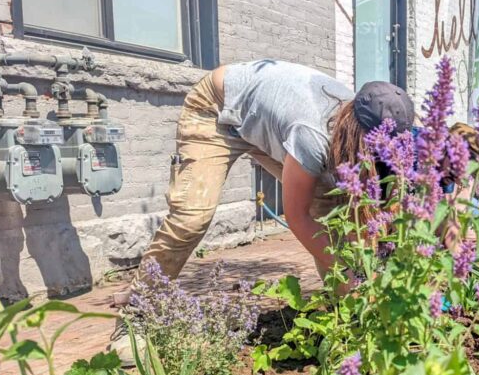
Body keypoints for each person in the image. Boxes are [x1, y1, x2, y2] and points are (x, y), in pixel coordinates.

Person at [131, 60, 415, 286]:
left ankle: (348, 310)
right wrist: (349, 272)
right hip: (217, 108)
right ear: (357, 134)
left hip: (267, 119)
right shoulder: (313, 133)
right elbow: (297, 216)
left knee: (332, 208)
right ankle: (138, 309)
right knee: (192, 216)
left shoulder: (366, 119)